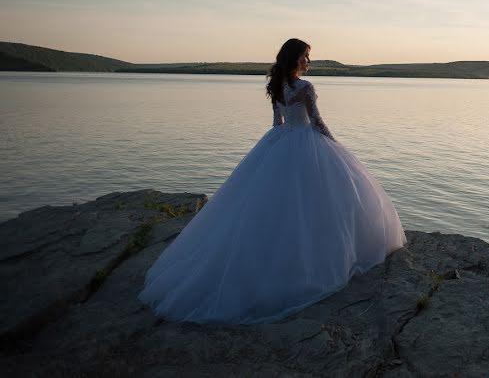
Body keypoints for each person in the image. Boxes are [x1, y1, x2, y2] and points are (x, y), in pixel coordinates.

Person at [138, 38, 407, 324]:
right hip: (306, 141)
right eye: (305, 57)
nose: (308, 62)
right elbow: (316, 121)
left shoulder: (275, 84)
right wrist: (335, 144)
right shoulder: (305, 87)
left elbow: (277, 122)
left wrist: (279, 143)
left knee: (273, 202)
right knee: (320, 197)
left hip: (280, 140)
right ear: (295, 58)